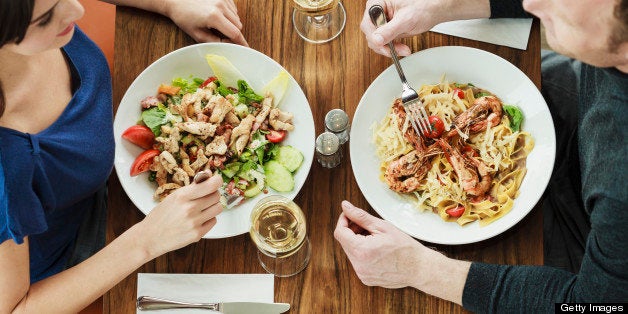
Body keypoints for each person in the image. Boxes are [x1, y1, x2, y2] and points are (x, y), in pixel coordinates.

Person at [334, 0, 627, 312]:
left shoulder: (619, 188)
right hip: (577, 98)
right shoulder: (605, 41)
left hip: (585, 238)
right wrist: (441, 7)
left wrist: (418, 268)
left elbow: (595, 306)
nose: (530, 1)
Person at [0, 0, 246, 312]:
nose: (78, 10)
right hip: (74, 253)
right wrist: (146, 240)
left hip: (108, 182)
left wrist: (169, 3)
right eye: (46, 17)